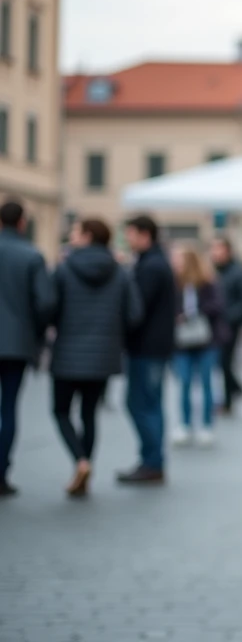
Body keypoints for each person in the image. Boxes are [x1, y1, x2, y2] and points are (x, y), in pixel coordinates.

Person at [48, 219, 143, 497]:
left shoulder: (65, 269)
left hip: (67, 352)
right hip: (104, 356)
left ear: (88, 236)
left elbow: (49, 307)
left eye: (76, 232)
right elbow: (134, 314)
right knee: (89, 413)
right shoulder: (120, 271)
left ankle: (80, 461)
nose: (72, 237)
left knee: (61, 410)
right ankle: (86, 468)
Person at [0, 200, 56, 496]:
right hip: (16, 343)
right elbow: (45, 302)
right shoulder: (31, 255)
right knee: (7, 408)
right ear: (22, 222)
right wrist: (34, 332)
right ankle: (0, 471)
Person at [119, 215, 177, 485]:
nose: (127, 239)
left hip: (147, 347)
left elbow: (137, 308)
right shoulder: (154, 262)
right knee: (148, 403)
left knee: (142, 403)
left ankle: (152, 461)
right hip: (152, 346)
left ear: (145, 234)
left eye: (130, 233)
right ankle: (152, 461)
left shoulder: (151, 266)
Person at [171, 247, 227, 448]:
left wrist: (193, 313)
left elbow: (218, 306)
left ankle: (206, 425)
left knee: (206, 383)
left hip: (206, 340)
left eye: (178, 258)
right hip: (182, 343)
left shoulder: (208, 282)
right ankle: (184, 425)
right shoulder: (174, 283)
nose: (175, 262)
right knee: (184, 382)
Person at [209, 236, 242, 413]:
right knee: (222, 363)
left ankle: (229, 399)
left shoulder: (238, 272)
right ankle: (235, 391)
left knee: (226, 362)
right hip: (217, 325)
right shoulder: (214, 271)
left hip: (231, 326)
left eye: (219, 249)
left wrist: (230, 318)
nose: (215, 253)